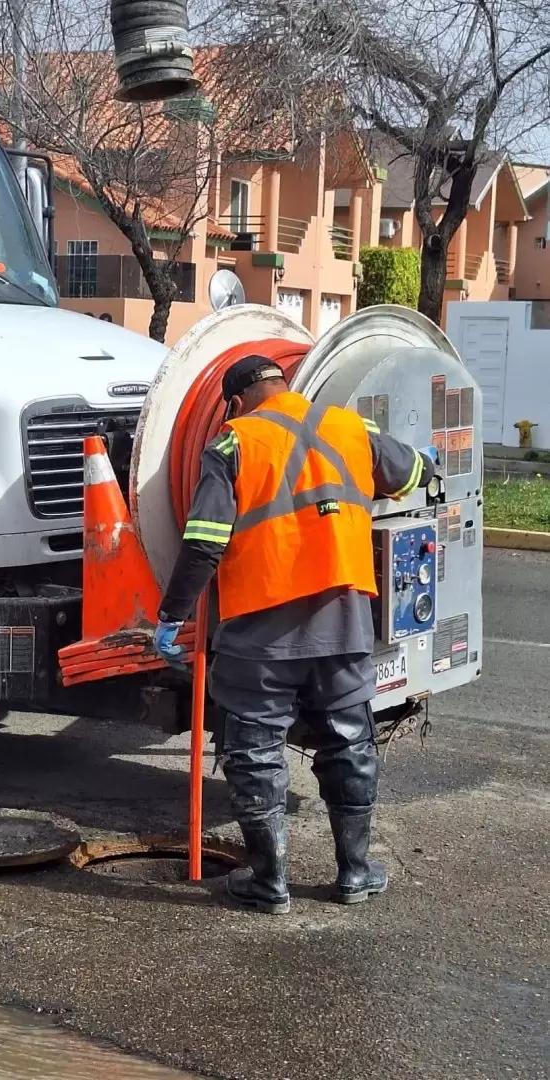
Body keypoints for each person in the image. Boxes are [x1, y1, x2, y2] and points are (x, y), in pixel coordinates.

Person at [153, 355, 439, 915]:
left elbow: (205, 539)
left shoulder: (233, 444)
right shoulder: (350, 427)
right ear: (286, 387)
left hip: (262, 627)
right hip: (345, 615)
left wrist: (172, 615)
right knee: (348, 742)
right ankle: (354, 875)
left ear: (235, 403)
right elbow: (411, 475)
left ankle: (270, 884)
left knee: (255, 749)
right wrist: (426, 465)